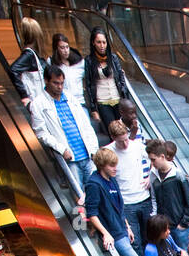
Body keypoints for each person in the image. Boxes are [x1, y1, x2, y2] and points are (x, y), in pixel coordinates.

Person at [29, 63, 97, 194]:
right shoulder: (38, 104)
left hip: (87, 153)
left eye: (62, 83)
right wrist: (62, 149)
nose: (60, 87)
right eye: (56, 83)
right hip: (70, 157)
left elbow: (85, 125)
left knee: (95, 192)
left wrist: (93, 149)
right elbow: (41, 132)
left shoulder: (70, 97)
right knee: (79, 195)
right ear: (46, 81)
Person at [84, 147, 137, 256]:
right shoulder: (94, 184)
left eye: (115, 165)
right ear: (102, 165)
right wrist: (105, 233)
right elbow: (92, 214)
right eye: (111, 165)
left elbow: (119, 207)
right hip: (113, 233)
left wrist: (127, 227)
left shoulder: (112, 180)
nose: (115, 169)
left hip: (121, 229)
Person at [107, 119, 152, 252]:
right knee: (135, 241)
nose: (126, 144)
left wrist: (149, 176)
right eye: (121, 141)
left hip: (144, 198)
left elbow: (154, 157)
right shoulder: (108, 152)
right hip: (126, 203)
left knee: (149, 238)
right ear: (113, 138)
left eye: (126, 139)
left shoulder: (136, 146)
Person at [146, 139, 189, 252]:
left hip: (178, 226)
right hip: (163, 227)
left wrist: (183, 223)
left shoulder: (178, 175)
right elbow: (154, 199)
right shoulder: (153, 175)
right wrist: (154, 217)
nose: (152, 163)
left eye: (154, 160)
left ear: (162, 156)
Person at [83, 27, 128, 136]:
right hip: (103, 101)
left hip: (117, 99)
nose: (102, 45)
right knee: (113, 132)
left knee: (124, 131)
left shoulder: (113, 58)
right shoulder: (89, 61)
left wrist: (125, 97)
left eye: (104, 42)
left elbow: (121, 78)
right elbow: (89, 85)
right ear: (93, 43)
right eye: (99, 42)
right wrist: (93, 109)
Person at [8, 17, 46, 104]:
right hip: (36, 97)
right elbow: (13, 70)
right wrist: (24, 95)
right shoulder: (29, 54)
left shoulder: (32, 53)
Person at [48, 33, 86, 109]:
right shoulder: (52, 62)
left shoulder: (79, 62)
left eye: (67, 47)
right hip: (63, 102)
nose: (65, 50)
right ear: (57, 49)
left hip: (79, 101)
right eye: (62, 48)